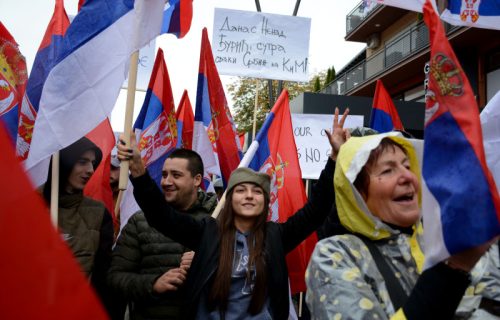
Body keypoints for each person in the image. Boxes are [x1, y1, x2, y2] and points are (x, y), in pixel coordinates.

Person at [116, 109, 348, 319]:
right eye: (240, 190)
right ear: (229, 200)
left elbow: (315, 212)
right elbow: (160, 216)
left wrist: (334, 159)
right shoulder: (208, 232)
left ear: (266, 202)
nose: (248, 195)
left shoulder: (275, 236)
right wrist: (138, 169)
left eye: (256, 191)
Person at [306, 132, 500, 319]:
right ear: (355, 192)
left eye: (408, 166)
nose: (408, 177)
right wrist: (451, 271)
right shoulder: (336, 255)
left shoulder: (450, 242)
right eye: (388, 170)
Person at [108, 148, 218, 320]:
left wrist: (206, 260)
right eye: (164, 174)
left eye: (176, 175)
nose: (166, 181)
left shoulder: (217, 221)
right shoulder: (140, 222)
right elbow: (115, 278)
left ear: (197, 180)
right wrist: (153, 284)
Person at [42, 137, 115, 315]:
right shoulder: (27, 207)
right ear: (64, 162)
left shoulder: (98, 213)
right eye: (82, 162)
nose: (90, 170)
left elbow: (103, 277)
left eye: (93, 163)